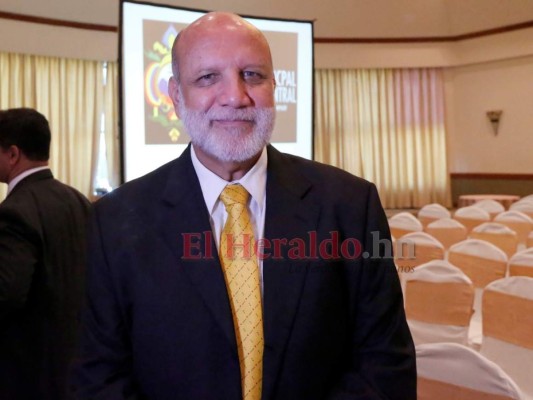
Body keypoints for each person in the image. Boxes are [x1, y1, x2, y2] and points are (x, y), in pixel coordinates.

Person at [71, 12, 416, 400]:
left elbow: (385, 366)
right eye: (208, 77)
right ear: (176, 97)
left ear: (274, 86)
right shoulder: (114, 221)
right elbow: (98, 377)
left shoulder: (350, 205)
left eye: (252, 75)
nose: (235, 97)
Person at [0, 108, 91, 399]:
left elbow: (7, 294)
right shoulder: (78, 200)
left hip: (27, 371)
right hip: (76, 366)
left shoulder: (14, 212)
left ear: (13, 154)